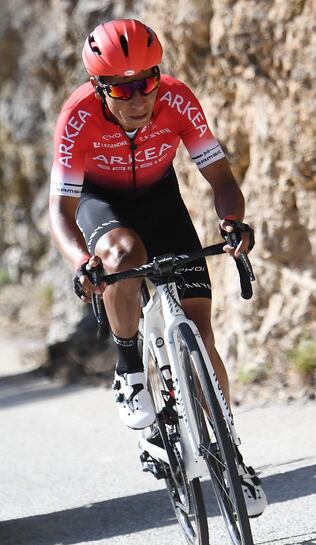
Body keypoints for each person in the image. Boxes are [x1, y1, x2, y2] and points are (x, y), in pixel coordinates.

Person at [49, 18, 267, 517]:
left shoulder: (177, 99)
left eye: (147, 82)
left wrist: (232, 221)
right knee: (123, 257)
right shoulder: (77, 117)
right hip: (100, 203)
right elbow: (60, 214)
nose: (138, 98)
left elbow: (221, 178)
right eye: (123, 89)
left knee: (202, 333)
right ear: (100, 88)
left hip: (161, 200)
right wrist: (83, 262)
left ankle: (232, 457)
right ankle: (128, 368)